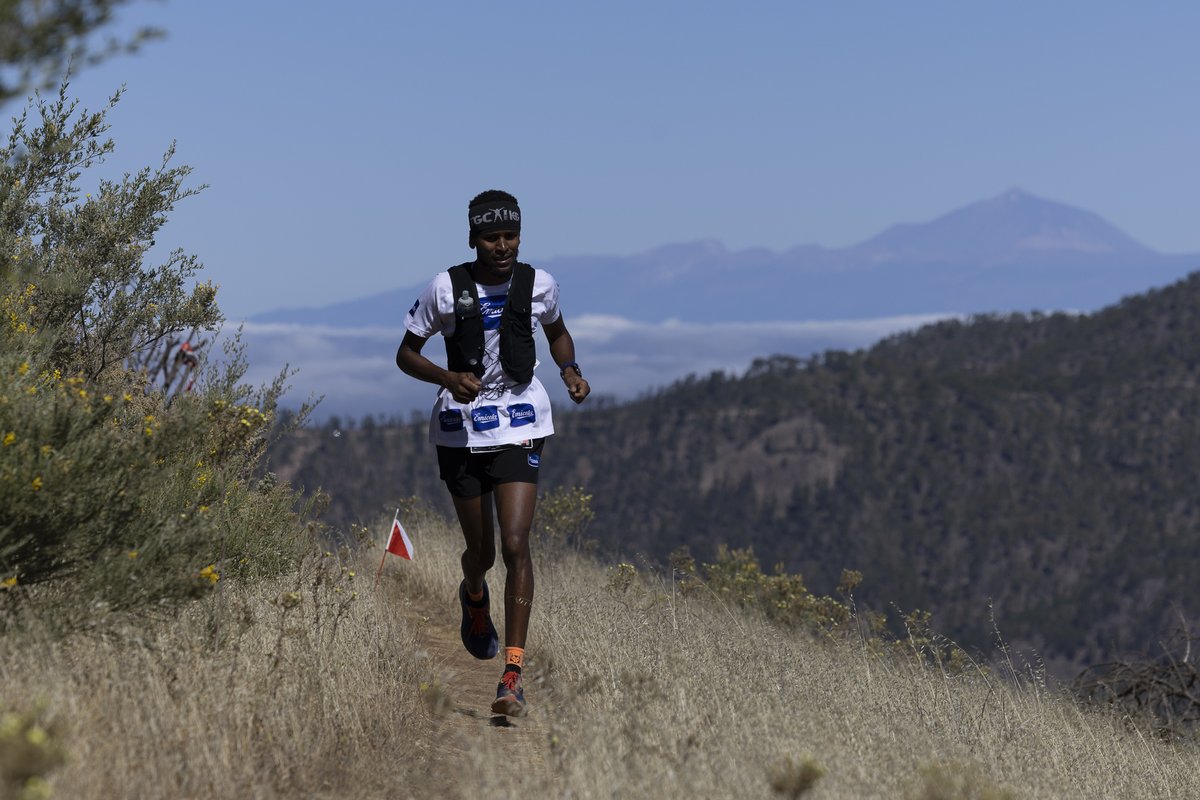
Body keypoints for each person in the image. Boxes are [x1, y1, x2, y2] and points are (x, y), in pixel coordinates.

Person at [395, 189, 590, 717]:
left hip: (523, 423)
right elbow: (406, 354)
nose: (502, 246)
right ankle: (474, 592)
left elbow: (558, 333)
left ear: (520, 236)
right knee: (481, 554)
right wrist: (447, 377)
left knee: (517, 544)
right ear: (473, 239)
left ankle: (512, 675)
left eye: (510, 236)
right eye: (490, 238)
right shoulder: (445, 288)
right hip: (460, 431)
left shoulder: (539, 284)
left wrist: (570, 371)